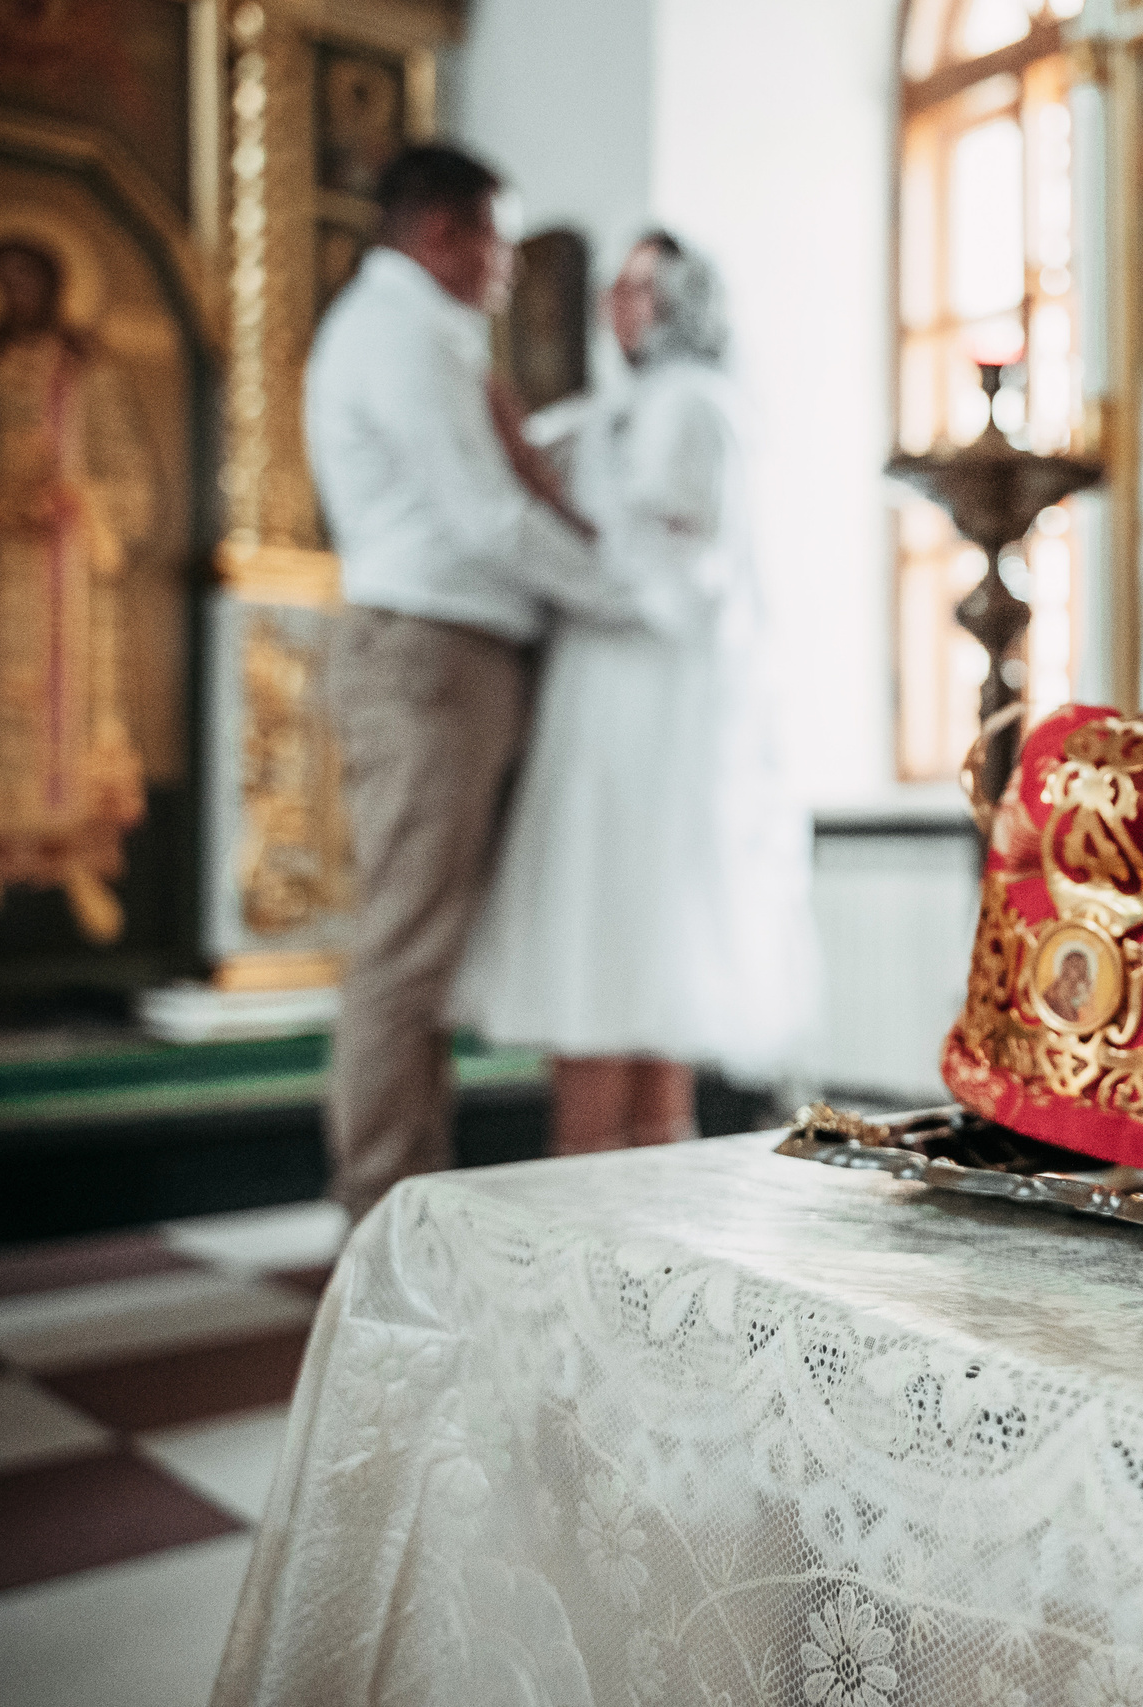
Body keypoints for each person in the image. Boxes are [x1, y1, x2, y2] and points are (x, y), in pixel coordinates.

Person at [305, 145, 640, 1220]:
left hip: (458, 657)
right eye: (498, 237)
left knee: (434, 944)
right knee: (407, 949)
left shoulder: (419, 332)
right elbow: (484, 518)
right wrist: (629, 594)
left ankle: (412, 1192)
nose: (507, 264)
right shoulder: (401, 333)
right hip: (431, 658)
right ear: (444, 232)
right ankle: (385, 1214)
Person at [452, 233, 814, 1152]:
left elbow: (673, 574)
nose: (618, 301)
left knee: (619, 933)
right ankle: (642, 1177)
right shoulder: (629, 407)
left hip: (647, 705)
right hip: (612, 692)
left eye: (642, 286)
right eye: (615, 284)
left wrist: (536, 514)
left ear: (684, 299)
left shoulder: (691, 407)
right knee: (626, 941)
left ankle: (606, 1181)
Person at [0, 234, 157, 943]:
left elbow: (129, 473)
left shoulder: (92, 375)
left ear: (55, 286)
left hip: (69, 579)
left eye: (29, 281)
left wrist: (80, 498)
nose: (18, 295)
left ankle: (79, 867)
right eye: (5, 281)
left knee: (71, 717)